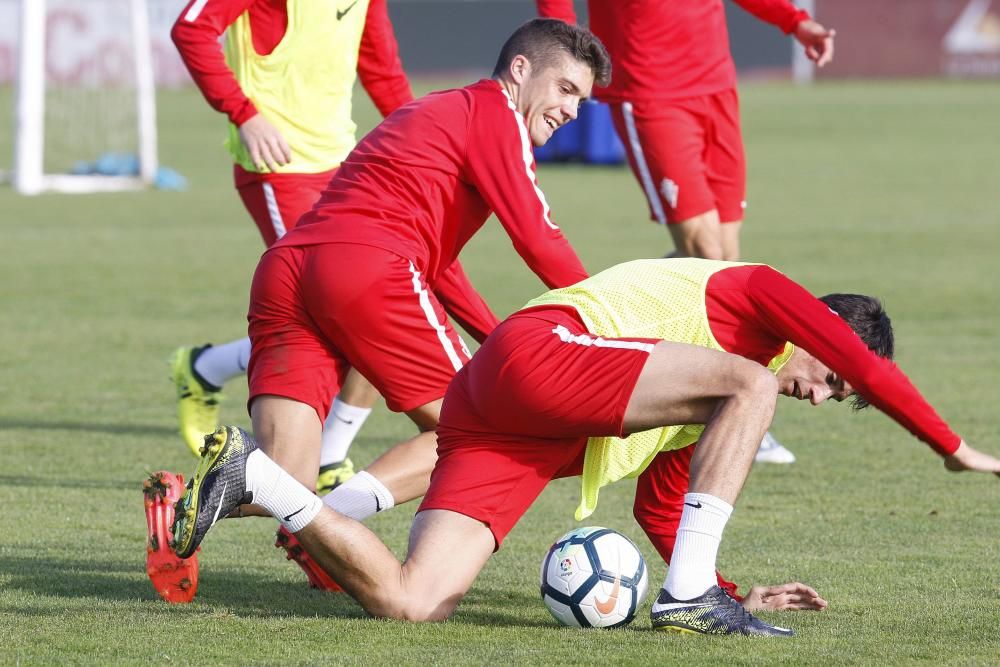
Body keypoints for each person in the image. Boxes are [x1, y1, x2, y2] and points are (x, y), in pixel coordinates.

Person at [171, 257, 1000, 635]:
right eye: (832, 380)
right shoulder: (758, 300)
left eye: (837, 400)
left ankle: (257, 478)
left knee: (413, 602)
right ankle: (686, 607)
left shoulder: (713, 394)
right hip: (538, 351)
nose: (821, 395)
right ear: (821, 330)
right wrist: (950, 445)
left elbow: (663, 505)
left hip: (513, 418)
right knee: (750, 383)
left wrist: (737, 590)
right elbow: (843, 361)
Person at [166, 16, 610, 581]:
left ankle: (181, 500)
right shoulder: (496, 113)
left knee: (284, 481)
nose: (572, 109)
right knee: (482, 431)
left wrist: (499, 339)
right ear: (520, 70)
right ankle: (338, 522)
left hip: (286, 272)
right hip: (365, 269)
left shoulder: (434, 110)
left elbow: (439, 268)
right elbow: (537, 234)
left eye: (582, 99)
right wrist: (605, 314)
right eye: (566, 89)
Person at [537, 0, 837, 465]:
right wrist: (568, 57)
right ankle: (735, 406)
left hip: (716, 86)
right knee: (708, 252)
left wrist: (795, 22)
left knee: (728, 261)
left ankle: (631, 345)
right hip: (651, 88)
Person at [168, 0, 415, 495]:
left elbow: (382, 71)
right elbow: (191, 29)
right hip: (279, 168)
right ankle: (314, 451)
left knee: (376, 303)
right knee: (337, 313)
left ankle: (321, 450)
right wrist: (245, 115)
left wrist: (426, 146)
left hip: (345, 165)